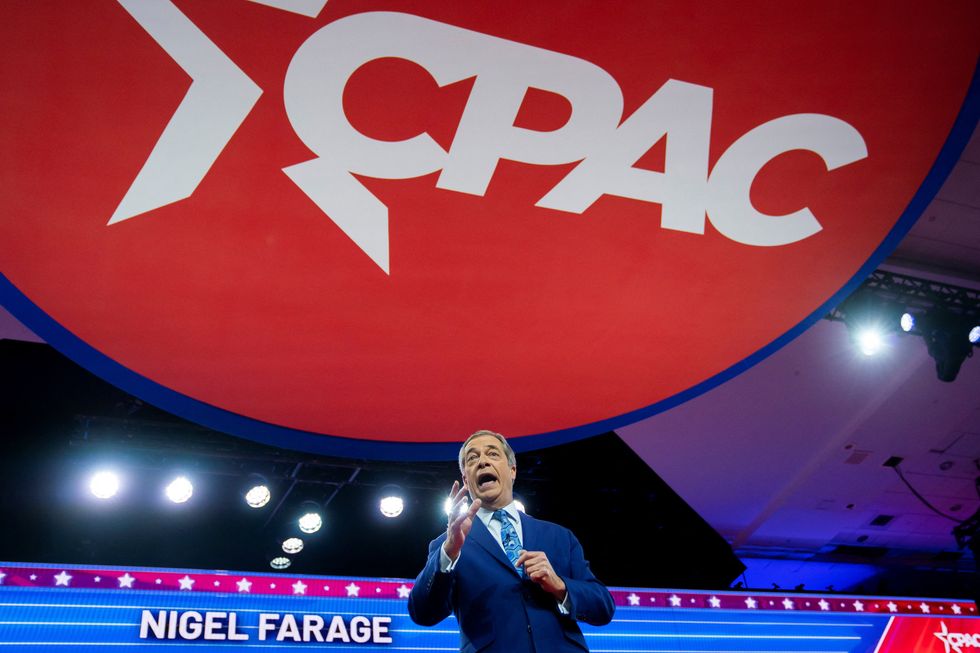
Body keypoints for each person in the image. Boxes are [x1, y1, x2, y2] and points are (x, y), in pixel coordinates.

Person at [408, 429, 615, 652]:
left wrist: (559, 586)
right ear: (466, 480)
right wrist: (449, 552)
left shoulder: (559, 536)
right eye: (472, 458)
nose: (483, 462)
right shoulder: (449, 544)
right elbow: (422, 613)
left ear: (512, 470)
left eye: (493, 454)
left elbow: (602, 607)